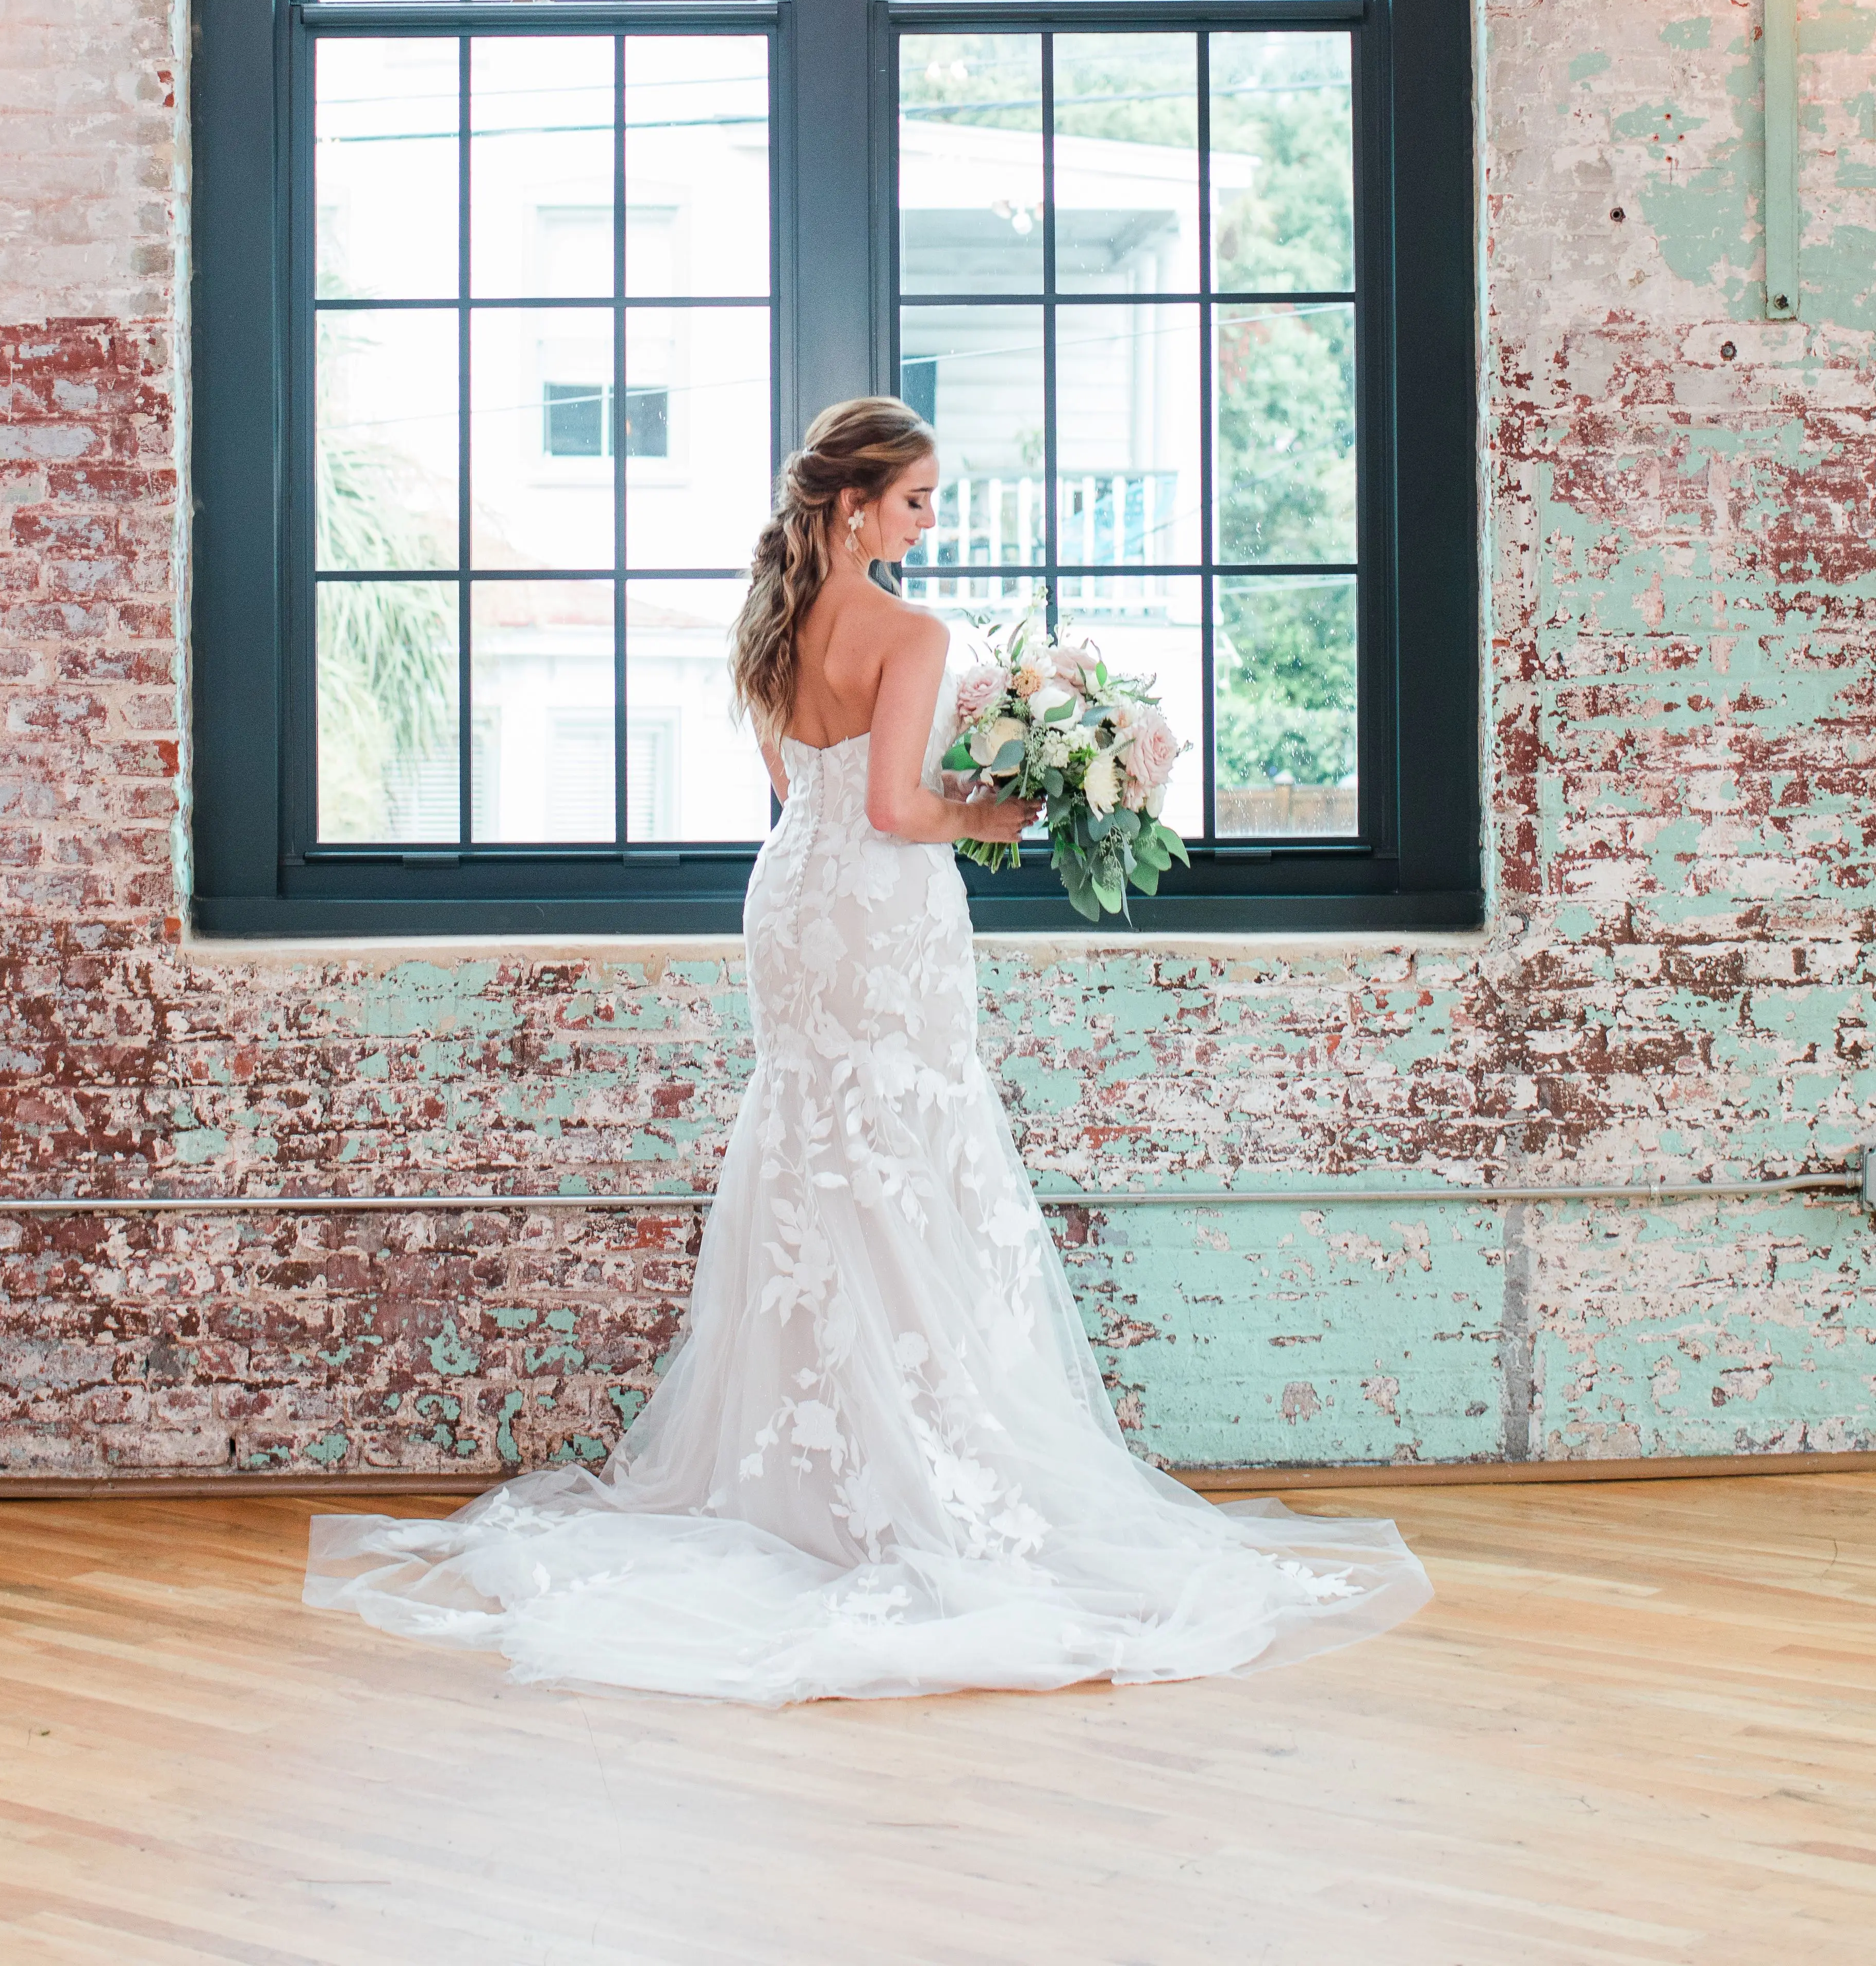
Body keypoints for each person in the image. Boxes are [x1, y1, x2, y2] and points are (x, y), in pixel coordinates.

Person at [305, 396, 1430, 1703]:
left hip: (790, 901)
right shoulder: (909, 632)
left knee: (818, 1151)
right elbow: (899, 808)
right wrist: (1028, 800)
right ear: (855, 504)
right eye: (917, 500)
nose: (929, 522)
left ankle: (805, 1480)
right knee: (905, 1146)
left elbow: (804, 794)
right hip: (879, 911)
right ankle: (907, 1472)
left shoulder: (774, 625)